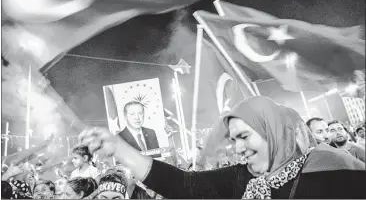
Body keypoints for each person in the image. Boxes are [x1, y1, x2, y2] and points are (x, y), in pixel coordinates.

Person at [79, 96, 365, 199]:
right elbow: (182, 184)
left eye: (245, 136)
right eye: (234, 139)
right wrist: (119, 148)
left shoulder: (335, 170)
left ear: (273, 131)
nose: (238, 148)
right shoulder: (241, 178)